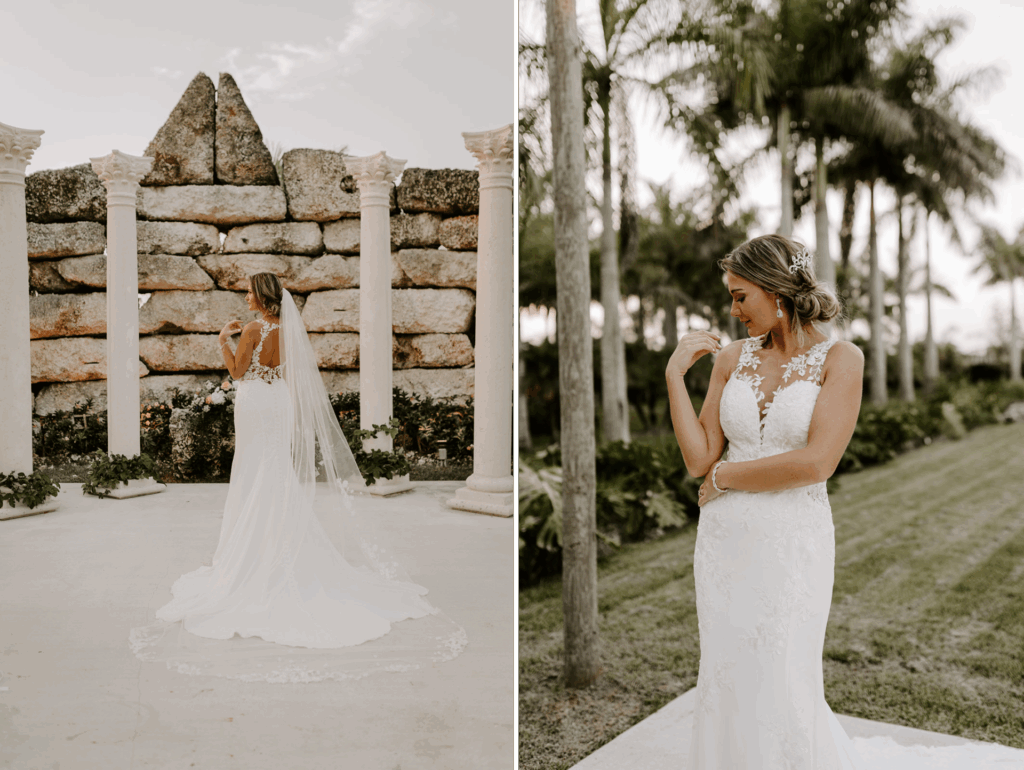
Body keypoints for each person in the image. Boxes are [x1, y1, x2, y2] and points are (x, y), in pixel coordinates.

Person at [129, 273, 466, 682]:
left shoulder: (252, 329)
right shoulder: (289, 331)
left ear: (263, 296)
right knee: (275, 468)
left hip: (253, 401)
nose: (246, 296)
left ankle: (251, 552)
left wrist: (222, 339)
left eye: (250, 290)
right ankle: (279, 541)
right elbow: (289, 377)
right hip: (277, 402)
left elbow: (237, 373)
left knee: (253, 471)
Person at [666, 234, 868, 767]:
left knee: (784, 669)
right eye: (731, 298)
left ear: (777, 292)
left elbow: (817, 462)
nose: (733, 311)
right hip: (724, 543)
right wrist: (673, 378)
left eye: (740, 296)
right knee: (728, 669)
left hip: (792, 539)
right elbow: (698, 459)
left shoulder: (841, 359)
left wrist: (728, 476)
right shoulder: (731, 359)